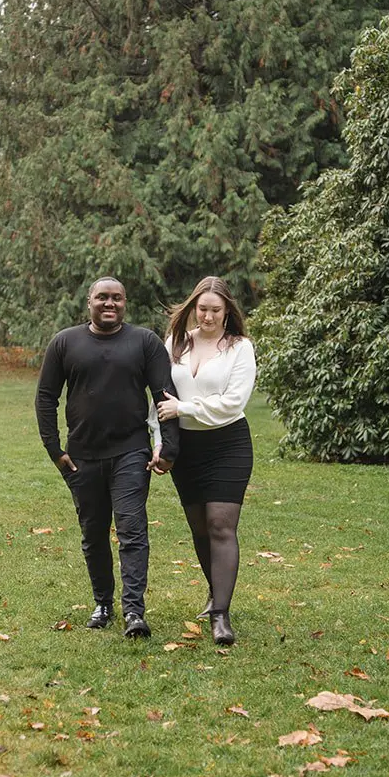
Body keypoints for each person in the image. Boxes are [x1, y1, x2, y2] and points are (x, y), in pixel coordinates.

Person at [36, 277, 180, 638]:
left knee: (132, 531)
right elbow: (45, 398)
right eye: (102, 297)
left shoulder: (144, 342)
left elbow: (165, 394)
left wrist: (169, 447)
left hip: (131, 452)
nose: (109, 303)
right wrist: (55, 450)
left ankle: (134, 611)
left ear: (125, 302)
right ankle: (103, 603)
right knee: (93, 534)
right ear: (89, 302)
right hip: (82, 457)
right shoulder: (65, 342)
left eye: (116, 298)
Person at [156, 277, 255, 646]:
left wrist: (184, 407)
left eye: (216, 309)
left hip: (228, 444)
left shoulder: (240, 348)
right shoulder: (176, 344)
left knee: (220, 525)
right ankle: (216, 593)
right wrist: (161, 445)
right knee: (199, 527)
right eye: (203, 309)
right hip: (187, 449)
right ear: (193, 308)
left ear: (228, 310)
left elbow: (233, 403)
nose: (209, 316)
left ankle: (221, 616)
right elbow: (159, 400)